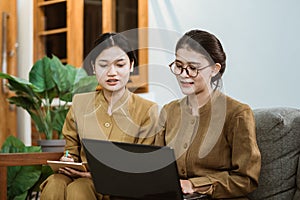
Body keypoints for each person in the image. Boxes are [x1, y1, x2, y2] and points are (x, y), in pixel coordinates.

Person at [40, 32, 158, 200]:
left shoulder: (148, 111)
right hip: (79, 177)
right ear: (94, 67)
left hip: (121, 188)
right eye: (104, 65)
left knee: (79, 189)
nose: (112, 72)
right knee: (54, 183)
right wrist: (67, 160)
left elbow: (142, 167)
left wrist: (100, 176)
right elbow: (71, 151)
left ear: (131, 66)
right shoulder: (79, 104)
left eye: (120, 65)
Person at [155, 29, 261, 199]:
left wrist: (194, 185)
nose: (183, 74)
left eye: (192, 68)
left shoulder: (238, 114)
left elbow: (246, 179)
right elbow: (158, 166)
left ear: (214, 69)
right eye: (179, 66)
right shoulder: (169, 111)